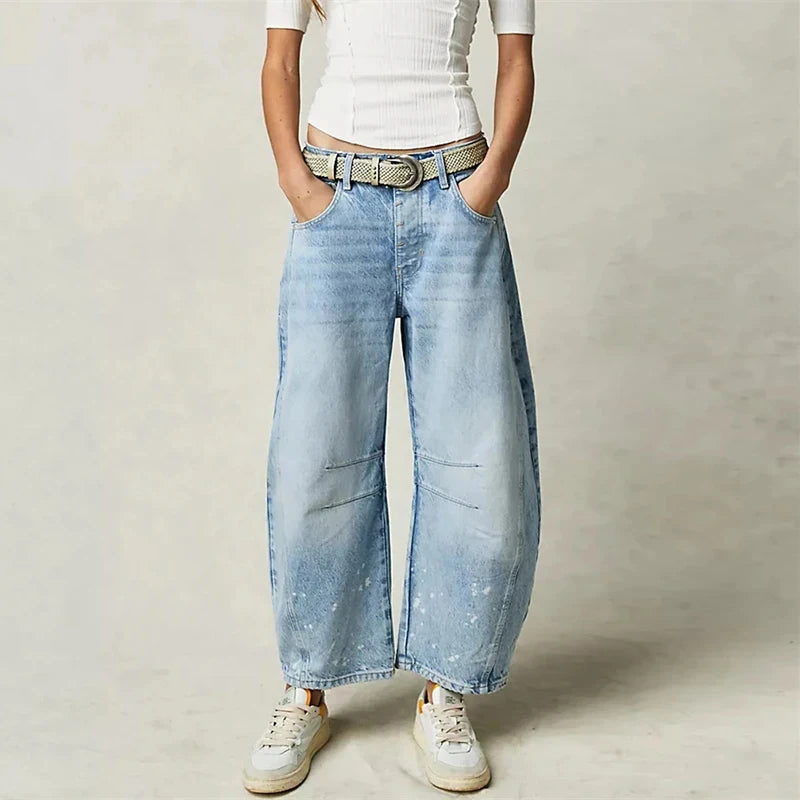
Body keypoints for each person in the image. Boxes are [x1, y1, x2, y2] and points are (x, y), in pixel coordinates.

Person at [243, 0, 542, 793]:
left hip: (456, 200)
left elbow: (516, 58)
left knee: (476, 456)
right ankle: (307, 688)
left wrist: (490, 181)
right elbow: (280, 60)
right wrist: (298, 184)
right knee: (315, 453)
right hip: (336, 199)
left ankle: (445, 691)